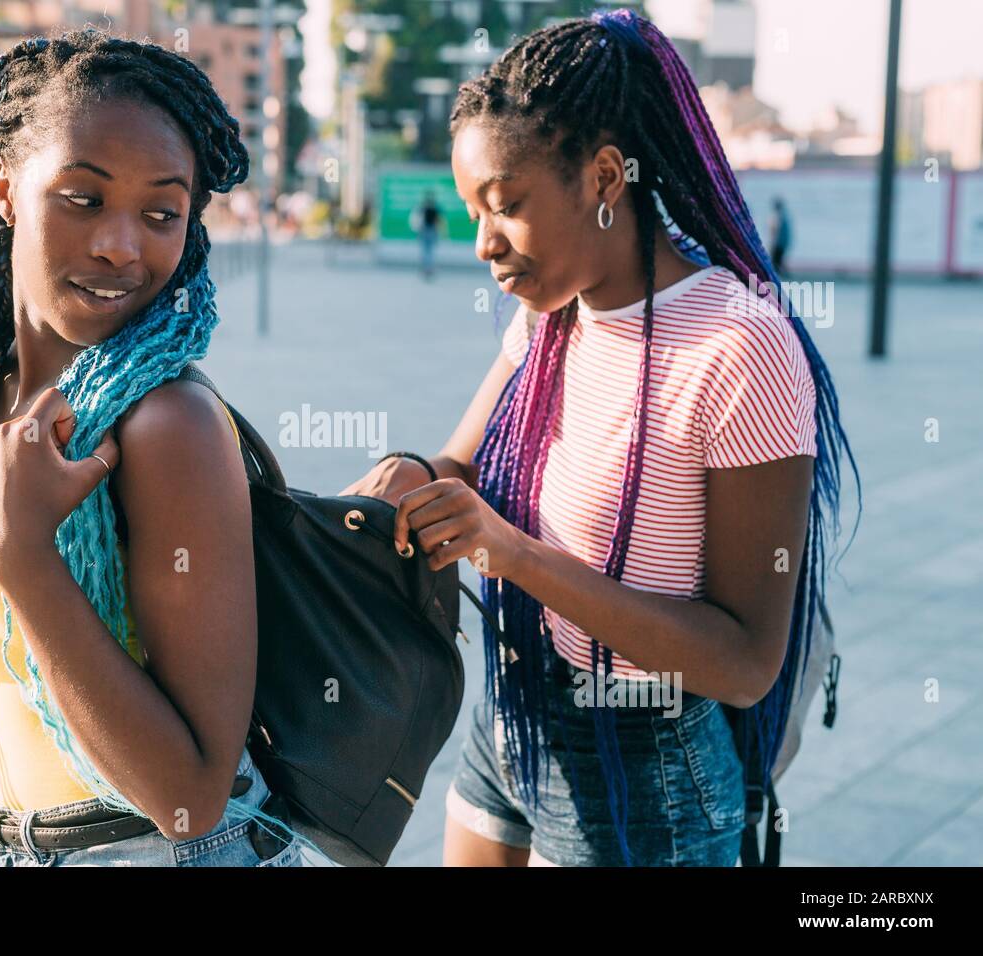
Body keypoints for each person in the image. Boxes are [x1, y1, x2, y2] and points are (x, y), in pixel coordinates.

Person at [341, 10, 856, 866]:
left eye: (507, 206)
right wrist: (405, 476)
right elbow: (457, 465)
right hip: (512, 719)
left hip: (648, 774)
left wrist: (513, 555)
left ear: (606, 177)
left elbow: (743, 660)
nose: (481, 244)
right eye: (472, 210)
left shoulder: (739, 347)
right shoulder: (553, 318)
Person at [0, 30, 302, 867]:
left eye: (161, 212)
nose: (120, 246)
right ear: (5, 189)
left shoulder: (169, 426)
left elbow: (191, 798)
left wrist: (22, 553)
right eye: (84, 198)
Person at [768, 197, 792, 275]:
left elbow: (774, 231)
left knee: (776, 261)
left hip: (778, 243)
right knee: (778, 261)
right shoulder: (784, 216)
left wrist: (773, 242)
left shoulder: (777, 216)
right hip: (783, 243)